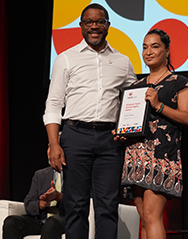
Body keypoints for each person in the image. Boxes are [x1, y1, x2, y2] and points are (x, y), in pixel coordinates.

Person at [43, 3, 137, 239]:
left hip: (110, 140)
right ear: (81, 26)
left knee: (108, 206)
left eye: (100, 22)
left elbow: (131, 103)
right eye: (89, 22)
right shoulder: (66, 59)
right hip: (75, 137)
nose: (94, 26)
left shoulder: (123, 62)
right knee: (75, 205)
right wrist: (54, 144)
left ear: (108, 25)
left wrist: (127, 128)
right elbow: (54, 104)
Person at [114, 29, 188, 239]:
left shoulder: (179, 83)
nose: (149, 51)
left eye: (155, 46)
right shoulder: (136, 87)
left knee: (151, 214)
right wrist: (122, 132)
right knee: (143, 216)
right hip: (135, 155)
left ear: (167, 51)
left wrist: (159, 106)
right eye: (145, 46)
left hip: (161, 155)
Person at [2, 167, 64, 239]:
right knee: (11, 222)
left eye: (59, 156)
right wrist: (41, 204)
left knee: (51, 223)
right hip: (41, 221)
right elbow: (29, 204)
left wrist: (59, 197)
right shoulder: (40, 174)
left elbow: (78, 204)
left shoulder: (75, 173)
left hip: (64, 220)